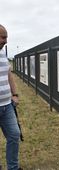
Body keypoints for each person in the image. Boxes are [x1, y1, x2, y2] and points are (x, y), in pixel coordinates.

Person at [0, 24, 22, 170]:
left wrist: (14, 95)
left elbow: (9, 74)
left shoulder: (2, 53)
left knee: (14, 135)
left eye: (6, 37)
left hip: (7, 105)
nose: (6, 41)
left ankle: (13, 168)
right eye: (3, 37)